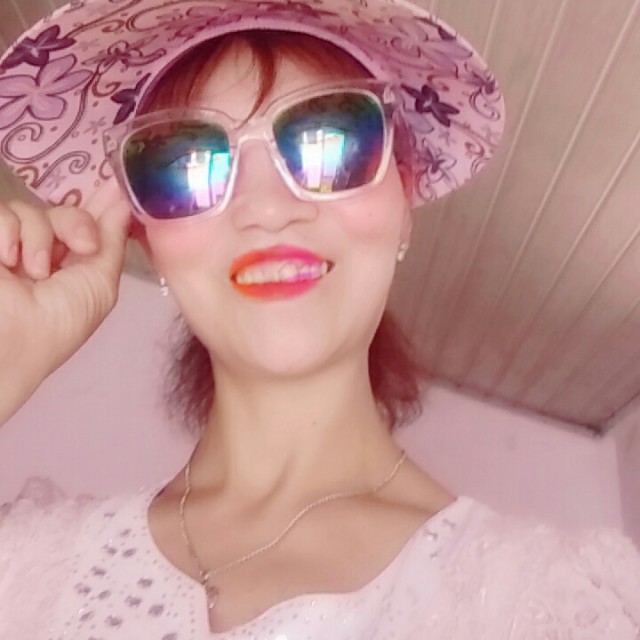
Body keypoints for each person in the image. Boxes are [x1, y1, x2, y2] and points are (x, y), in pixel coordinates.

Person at [0, 0, 639, 638]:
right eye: (187, 163)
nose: (267, 209)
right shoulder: (25, 563)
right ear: (144, 232)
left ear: (404, 198)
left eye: (329, 140)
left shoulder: (558, 602)